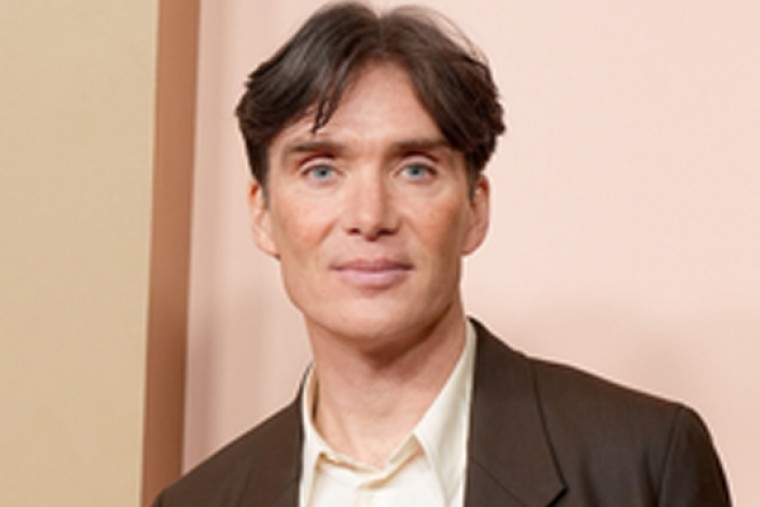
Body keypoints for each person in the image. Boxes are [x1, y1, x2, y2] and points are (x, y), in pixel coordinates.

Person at [153, 2, 731, 506]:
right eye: (322, 170)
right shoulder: (198, 501)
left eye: (415, 169)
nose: (369, 217)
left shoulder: (643, 462)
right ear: (262, 214)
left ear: (475, 208)